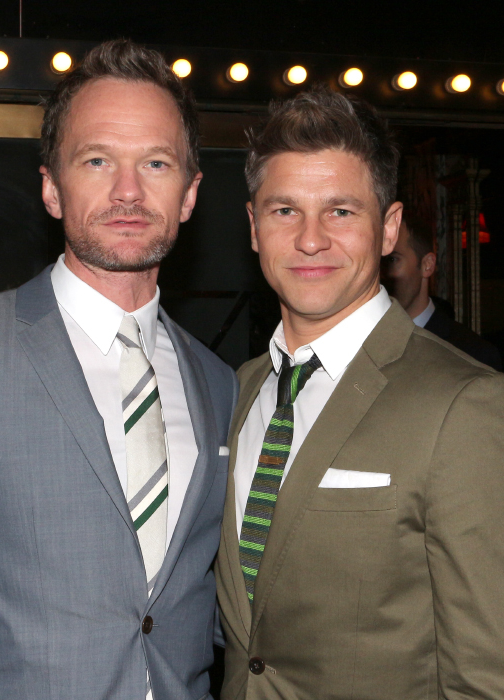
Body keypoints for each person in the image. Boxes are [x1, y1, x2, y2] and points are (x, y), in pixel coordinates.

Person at [0, 39, 238, 700]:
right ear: (51, 187)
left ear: (189, 194)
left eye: (156, 163)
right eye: (97, 159)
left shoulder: (217, 382)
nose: (127, 191)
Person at [215, 86, 504, 700]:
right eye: (284, 210)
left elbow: (487, 676)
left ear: (389, 229)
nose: (311, 239)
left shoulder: (466, 405)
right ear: (253, 227)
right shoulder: (237, 391)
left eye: (341, 211)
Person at [382, 212, 501, 370]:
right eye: (375, 261)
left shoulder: (473, 355)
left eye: (391, 259)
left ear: (427, 265)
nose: (379, 274)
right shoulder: (358, 341)